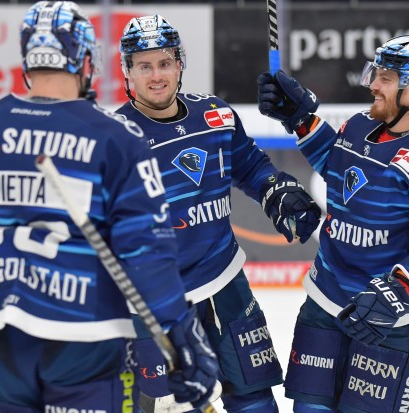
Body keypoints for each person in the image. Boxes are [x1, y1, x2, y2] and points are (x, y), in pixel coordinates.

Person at [0, 2, 218, 412]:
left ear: (27, 58)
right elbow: (146, 250)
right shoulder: (115, 138)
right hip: (82, 334)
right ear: (85, 60)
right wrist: (180, 330)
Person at [115, 15, 322, 413]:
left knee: (255, 398)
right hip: (159, 302)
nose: (156, 75)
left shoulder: (215, 116)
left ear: (180, 64)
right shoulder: (114, 137)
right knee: (161, 406)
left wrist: (275, 190)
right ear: (128, 71)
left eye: (164, 62)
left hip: (226, 282)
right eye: (144, 65)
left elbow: (250, 167)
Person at [257, 35, 409, 413]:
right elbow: (339, 168)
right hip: (325, 298)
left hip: (389, 317)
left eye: (386, 77)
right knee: (309, 409)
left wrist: (398, 289)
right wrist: (301, 119)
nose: (372, 83)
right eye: (376, 73)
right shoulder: (359, 126)